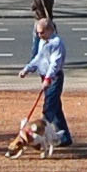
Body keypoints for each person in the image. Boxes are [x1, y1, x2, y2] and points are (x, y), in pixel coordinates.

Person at [19, 17, 72, 146]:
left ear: (49, 30)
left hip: (54, 78)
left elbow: (55, 63)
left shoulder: (56, 43)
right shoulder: (43, 42)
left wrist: (48, 78)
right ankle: (64, 137)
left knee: (48, 109)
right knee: (56, 109)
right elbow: (39, 58)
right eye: (38, 32)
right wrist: (27, 69)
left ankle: (41, 137)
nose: (39, 35)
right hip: (45, 77)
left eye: (41, 32)